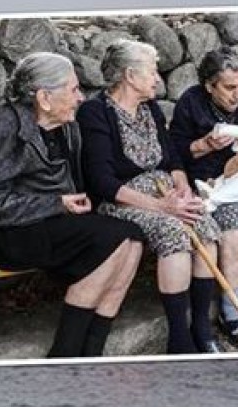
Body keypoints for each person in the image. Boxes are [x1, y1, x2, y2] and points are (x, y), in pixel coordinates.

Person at [0, 51, 144, 358]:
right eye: (73, 90)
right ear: (44, 97)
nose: (81, 97)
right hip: (13, 233)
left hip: (54, 223)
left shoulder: (66, 125)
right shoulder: (4, 128)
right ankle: (66, 352)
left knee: (133, 237)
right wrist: (55, 202)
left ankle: (92, 349)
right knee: (114, 238)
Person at [77, 39, 222, 354]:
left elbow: (172, 160)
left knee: (205, 226)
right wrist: (163, 207)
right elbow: (102, 182)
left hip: (164, 193)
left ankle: (201, 327)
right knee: (173, 232)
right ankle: (179, 338)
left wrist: (182, 190)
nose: (158, 79)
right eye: (153, 72)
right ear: (130, 76)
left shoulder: (151, 108)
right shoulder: (95, 112)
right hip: (123, 201)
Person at [168, 46, 238, 343]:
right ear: (209, 86)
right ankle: (231, 309)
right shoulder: (191, 103)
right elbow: (173, 154)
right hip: (204, 186)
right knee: (233, 229)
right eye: (230, 87)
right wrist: (205, 145)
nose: (237, 94)